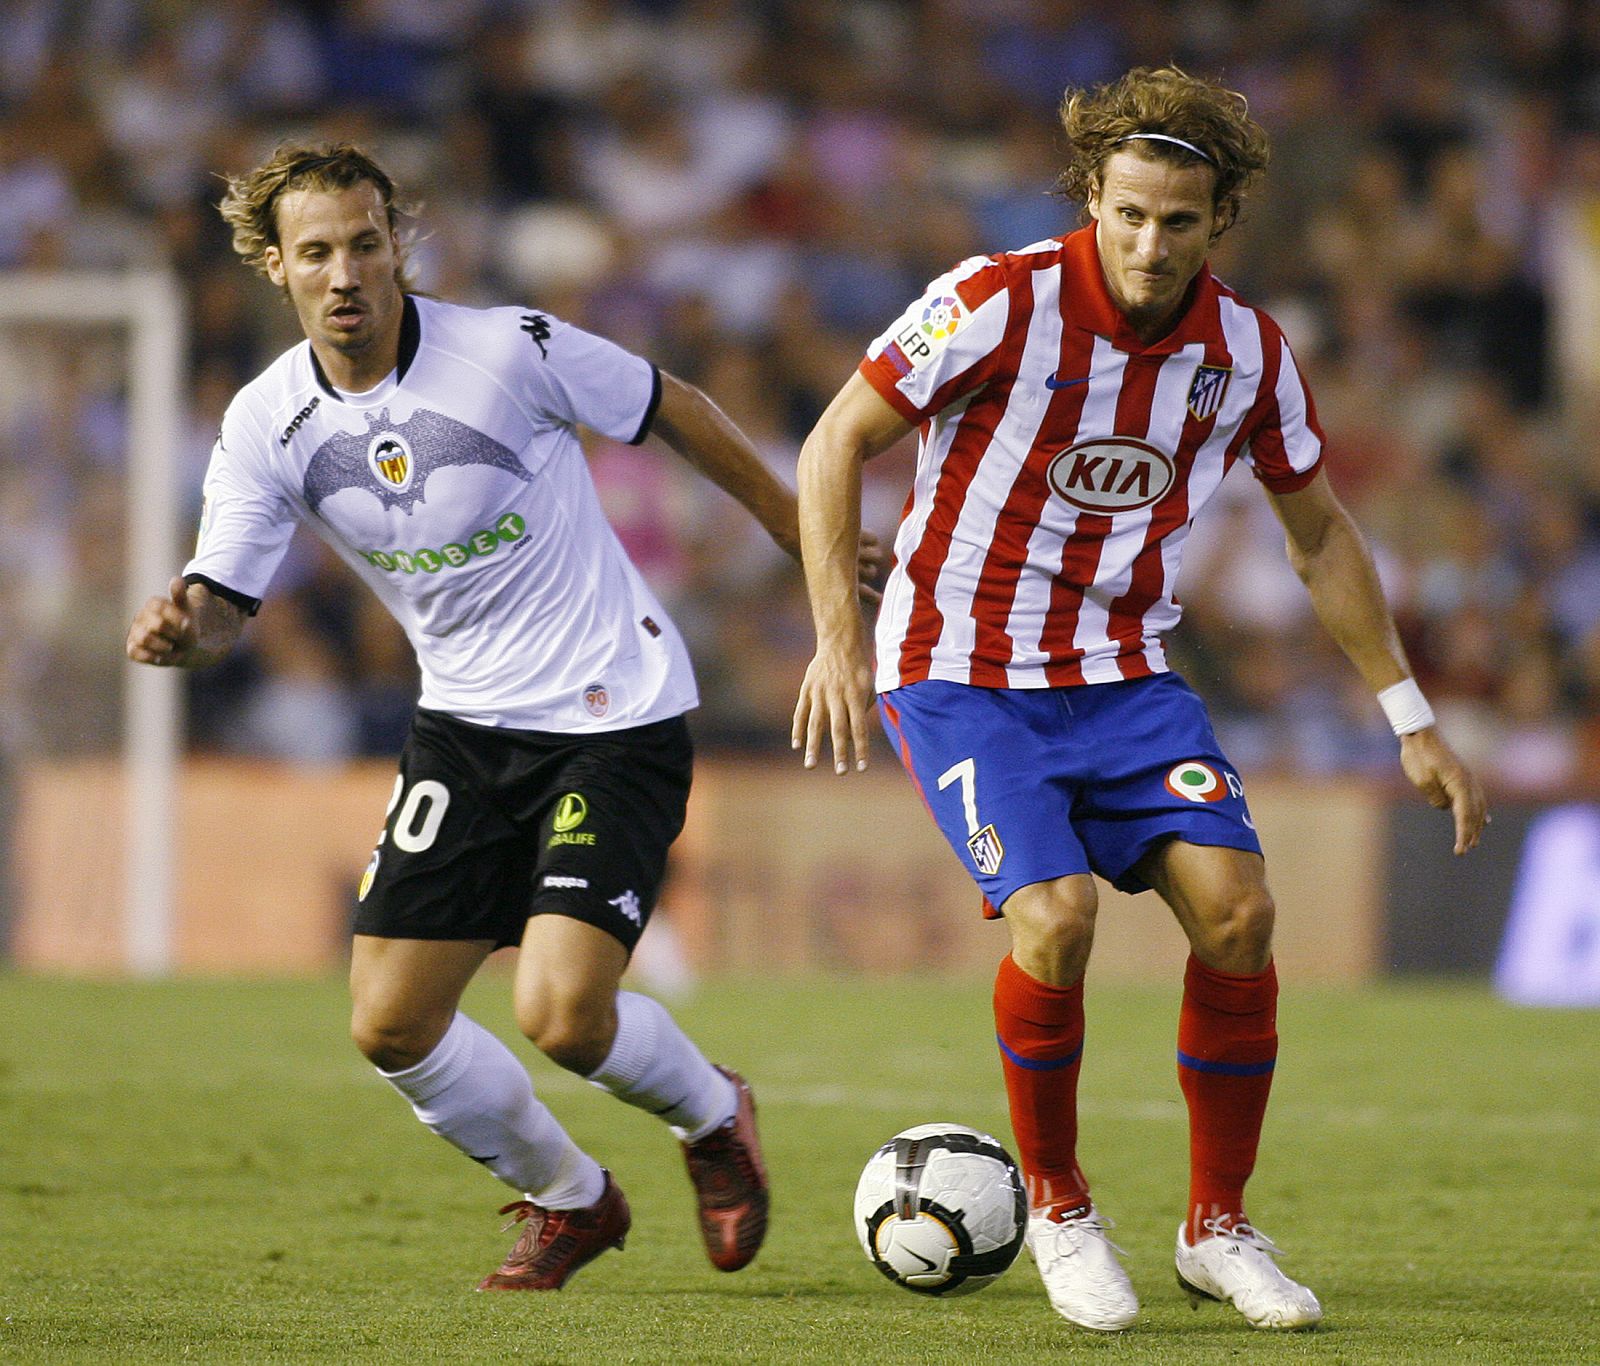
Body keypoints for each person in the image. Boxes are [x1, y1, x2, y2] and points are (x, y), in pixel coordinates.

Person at [791, 67, 1487, 1333]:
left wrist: (1410, 716)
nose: (1148, 244)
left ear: (1220, 219)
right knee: (1051, 919)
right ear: (1091, 199)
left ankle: (1216, 1228)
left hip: (1122, 675)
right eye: (1127, 214)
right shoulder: (998, 302)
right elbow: (836, 438)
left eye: (1177, 220)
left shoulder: (1249, 352)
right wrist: (838, 637)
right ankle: (1057, 1208)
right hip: (958, 669)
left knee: (1239, 914)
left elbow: (1320, 534)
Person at [126, 141, 879, 1293]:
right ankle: (572, 1199)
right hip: (464, 728)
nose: (346, 274)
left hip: (611, 709)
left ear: (397, 247)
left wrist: (793, 529)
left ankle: (714, 1114)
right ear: (274, 267)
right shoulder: (264, 423)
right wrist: (188, 630)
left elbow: (670, 405)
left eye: (366, 244)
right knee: (387, 1025)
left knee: (564, 1016)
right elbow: (225, 597)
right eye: (316, 252)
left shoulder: (507, 350)